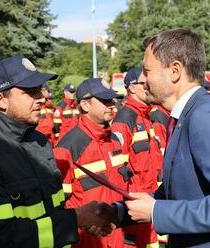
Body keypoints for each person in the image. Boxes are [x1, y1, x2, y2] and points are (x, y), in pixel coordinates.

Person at [0, 56, 116, 248]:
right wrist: (76, 219)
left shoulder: (39, 141)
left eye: (40, 89)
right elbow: (2, 237)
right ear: (1, 100)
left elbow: (52, 211)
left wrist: (80, 223)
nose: (43, 98)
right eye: (31, 92)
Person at [122, 28, 210, 247]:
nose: (142, 80)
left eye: (147, 70)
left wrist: (156, 211)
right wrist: (120, 211)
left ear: (175, 71)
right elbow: (179, 191)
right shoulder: (182, 116)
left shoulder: (201, 116)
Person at [54, 78, 126, 248]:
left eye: (111, 99)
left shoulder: (114, 139)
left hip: (115, 232)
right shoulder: (68, 146)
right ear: (85, 105)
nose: (111, 104)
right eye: (104, 100)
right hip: (87, 238)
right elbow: (61, 201)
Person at [110, 67, 162, 247]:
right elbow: (118, 169)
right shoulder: (124, 119)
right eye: (143, 83)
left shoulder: (145, 116)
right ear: (132, 87)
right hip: (136, 203)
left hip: (150, 198)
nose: (148, 86)